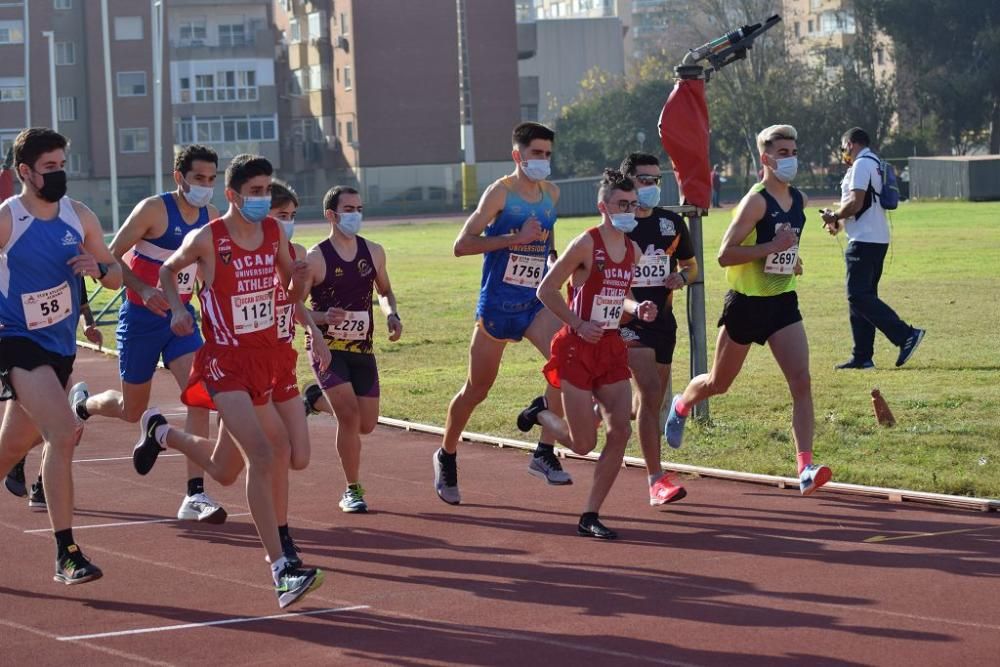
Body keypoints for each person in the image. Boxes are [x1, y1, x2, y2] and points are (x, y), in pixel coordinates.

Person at [131, 153, 323, 608]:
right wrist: (179, 309)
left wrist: (299, 283)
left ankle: (161, 432)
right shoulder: (207, 238)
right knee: (264, 451)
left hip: (271, 359)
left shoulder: (274, 232)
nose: (263, 199)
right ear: (233, 195)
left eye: (267, 191)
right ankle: (282, 567)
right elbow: (166, 270)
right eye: (255, 192)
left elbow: (288, 295)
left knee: (233, 468)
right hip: (225, 362)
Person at [664, 124, 832, 497]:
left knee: (801, 383)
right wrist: (774, 247)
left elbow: (784, 246)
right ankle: (682, 404)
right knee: (718, 384)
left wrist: (792, 258)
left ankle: (805, 467)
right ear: (766, 159)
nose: (790, 158)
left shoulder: (798, 199)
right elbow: (725, 255)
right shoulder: (755, 202)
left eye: (793, 151)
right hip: (746, 304)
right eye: (783, 153)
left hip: (783, 302)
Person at [70, 145, 226, 523]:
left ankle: (195, 495)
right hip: (140, 320)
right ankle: (82, 405)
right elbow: (108, 259)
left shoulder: (212, 217)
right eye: (198, 178)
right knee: (131, 409)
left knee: (199, 397)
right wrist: (142, 288)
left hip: (180, 321)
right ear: (179, 178)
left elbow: (207, 276)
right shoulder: (153, 210)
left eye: (211, 179)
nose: (205, 186)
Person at [0, 127, 123, 583]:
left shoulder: (80, 216)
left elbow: (117, 276)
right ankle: (66, 552)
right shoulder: (9, 220)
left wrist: (100, 268)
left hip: (60, 346)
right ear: (25, 172)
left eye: (61, 165)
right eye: (48, 167)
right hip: (15, 340)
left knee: (11, 446)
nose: (58, 174)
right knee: (62, 431)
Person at [436, 121, 570, 505]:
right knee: (477, 389)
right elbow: (461, 245)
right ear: (518, 156)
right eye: (536, 154)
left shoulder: (552, 194)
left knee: (567, 363)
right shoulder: (500, 193)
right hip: (497, 306)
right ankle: (447, 454)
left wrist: (555, 262)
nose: (542, 161)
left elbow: (547, 239)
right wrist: (514, 238)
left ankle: (544, 453)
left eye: (547, 154)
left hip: (534, 304)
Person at [518, 169, 657, 539]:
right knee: (583, 444)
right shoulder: (585, 243)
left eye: (632, 204)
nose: (629, 210)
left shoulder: (634, 250)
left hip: (610, 346)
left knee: (621, 429)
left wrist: (636, 307)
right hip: (577, 347)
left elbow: (616, 295)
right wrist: (578, 324)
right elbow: (546, 291)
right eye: (621, 204)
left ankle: (590, 514)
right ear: (603, 206)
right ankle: (541, 413)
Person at [300, 186, 402, 513]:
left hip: (362, 349)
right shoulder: (315, 259)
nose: (355, 214)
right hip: (327, 349)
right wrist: (320, 318)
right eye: (348, 209)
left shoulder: (373, 252)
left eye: (359, 208)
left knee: (366, 424)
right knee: (349, 417)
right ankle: (352, 490)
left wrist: (391, 315)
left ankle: (314, 399)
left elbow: (385, 291)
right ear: (331, 215)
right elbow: (292, 308)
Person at [619, 153, 698, 506]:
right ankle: (656, 480)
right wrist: (635, 306)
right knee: (650, 393)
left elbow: (691, 266)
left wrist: (681, 277)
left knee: (646, 404)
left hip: (664, 323)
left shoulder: (671, 223)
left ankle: (601, 409)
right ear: (628, 181)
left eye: (655, 179)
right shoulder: (618, 226)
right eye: (643, 179)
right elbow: (607, 282)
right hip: (629, 324)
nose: (650, 186)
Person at [821, 128, 924, 370]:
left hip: (864, 240)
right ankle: (862, 356)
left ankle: (905, 334)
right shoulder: (876, 163)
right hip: (876, 238)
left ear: (851, 143)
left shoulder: (861, 165)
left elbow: (856, 202)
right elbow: (864, 203)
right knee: (862, 298)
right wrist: (838, 222)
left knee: (857, 295)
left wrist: (834, 215)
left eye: (844, 146)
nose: (844, 152)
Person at [4, 276, 103, 508]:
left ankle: (38, 483)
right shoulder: (26, 263)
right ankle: (18, 460)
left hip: (60, 355)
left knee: (66, 425)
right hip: (27, 352)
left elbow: (83, 305)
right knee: (63, 423)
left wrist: (88, 325)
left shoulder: (70, 263)